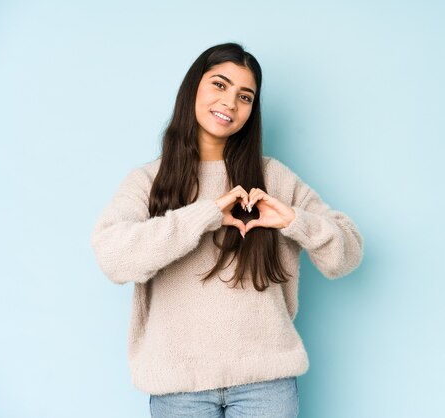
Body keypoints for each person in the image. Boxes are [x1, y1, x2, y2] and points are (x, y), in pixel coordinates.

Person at [90, 42, 363, 418]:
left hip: (266, 384)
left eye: (245, 96)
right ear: (193, 89)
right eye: (220, 85)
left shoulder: (273, 178)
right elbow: (113, 258)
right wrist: (205, 215)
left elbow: (345, 255)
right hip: (178, 388)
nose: (231, 103)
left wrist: (295, 222)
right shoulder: (148, 181)